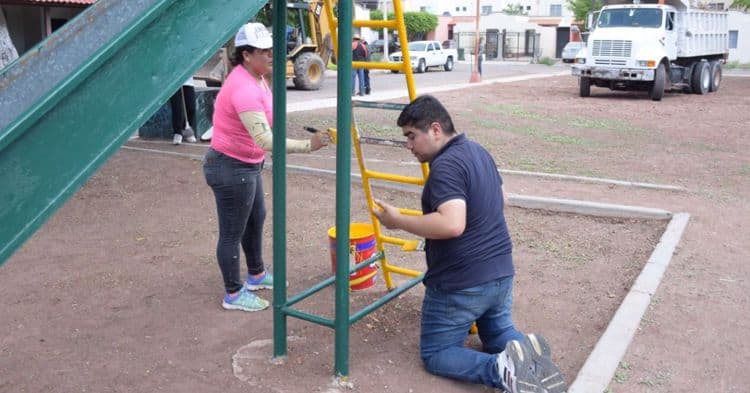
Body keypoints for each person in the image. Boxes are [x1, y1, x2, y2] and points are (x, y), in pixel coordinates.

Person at [372, 95, 566, 393]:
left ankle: (501, 371)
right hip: (501, 273)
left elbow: (451, 223)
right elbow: (502, 200)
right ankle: (528, 354)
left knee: (436, 354)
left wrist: (398, 221)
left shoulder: (445, 166)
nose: (408, 145)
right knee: (497, 331)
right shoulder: (478, 151)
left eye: (412, 136)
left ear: (435, 130)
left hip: (461, 284)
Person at [203, 22, 328, 312]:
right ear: (246, 55)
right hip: (231, 167)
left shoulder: (257, 76)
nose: (272, 55)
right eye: (264, 51)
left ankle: (256, 274)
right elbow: (265, 138)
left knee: (256, 217)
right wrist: (308, 145)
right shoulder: (244, 87)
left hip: (246, 163)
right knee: (232, 232)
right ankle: (233, 294)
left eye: (272, 50)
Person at [170, 77, 197, 145]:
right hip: (174, 81)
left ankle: (186, 128)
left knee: (191, 107)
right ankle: (178, 132)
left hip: (188, 81)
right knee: (177, 107)